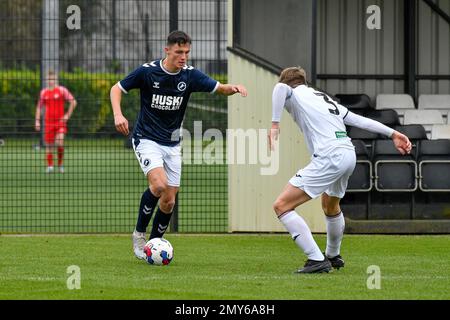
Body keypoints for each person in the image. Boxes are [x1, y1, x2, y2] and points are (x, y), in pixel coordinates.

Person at [110, 30, 247, 260]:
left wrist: (233, 87)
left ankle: (153, 245)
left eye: (187, 52)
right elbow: (117, 88)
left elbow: (219, 87)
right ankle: (139, 235)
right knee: (160, 184)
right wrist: (118, 114)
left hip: (173, 145)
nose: (183, 57)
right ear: (167, 50)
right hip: (146, 138)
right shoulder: (148, 72)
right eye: (179, 52)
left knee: (169, 200)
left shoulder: (190, 76)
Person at [269, 67, 412, 273]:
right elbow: (358, 119)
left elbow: (280, 88)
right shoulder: (324, 99)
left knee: (281, 205)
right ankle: (333, 255)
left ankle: (316, 260)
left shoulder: (294, 93)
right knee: (330, 205)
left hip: (329, 156)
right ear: (304, 81)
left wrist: (275, 124)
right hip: (347, 153)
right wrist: (393, 133)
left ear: (291, 83)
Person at [35, 70, 77, 173]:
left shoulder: (62, 90)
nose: (51, 81)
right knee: (49, 146)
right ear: (46, 80)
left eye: (53, 79)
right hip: (48, 123)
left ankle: (60, 164)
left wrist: (67, 115)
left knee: (60, 142)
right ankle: (50, 166)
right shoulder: (43, 92)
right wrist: (37, 121)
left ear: (56, 79)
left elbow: (73, 102)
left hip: (60, 122)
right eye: (49, 79)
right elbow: (39, 108)